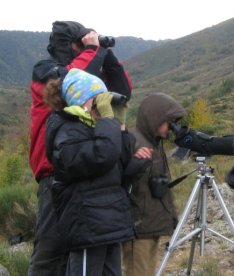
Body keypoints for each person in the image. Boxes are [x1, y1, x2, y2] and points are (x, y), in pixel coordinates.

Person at [28, 20, 132, 276]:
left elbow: (122, 91)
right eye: (82, 43)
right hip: (56, 173)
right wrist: (94, 50)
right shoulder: (45, 71)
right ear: (69, 46)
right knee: (50, 250)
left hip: (86, 176)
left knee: (78, 252)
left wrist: (107, 55)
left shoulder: (87, 72)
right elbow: (72, 77)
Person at [44, 68, 135, 275]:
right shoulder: (67, 130)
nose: (102, 106)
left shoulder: (98, 128)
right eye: (97, 100)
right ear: (81, 101)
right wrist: (107, 122)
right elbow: (101, 157)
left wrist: (120, 126)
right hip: (86, 223)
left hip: (109, 220)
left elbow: (124, 163)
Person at [122, 93, 187, 276]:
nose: (171, 128)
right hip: (138, 227)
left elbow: (162, 186)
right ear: (155, 118)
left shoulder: (154, 143)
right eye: (168, 122)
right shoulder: (133, 141)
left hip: (151, 224)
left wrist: (171, 217)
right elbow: (122, 177)